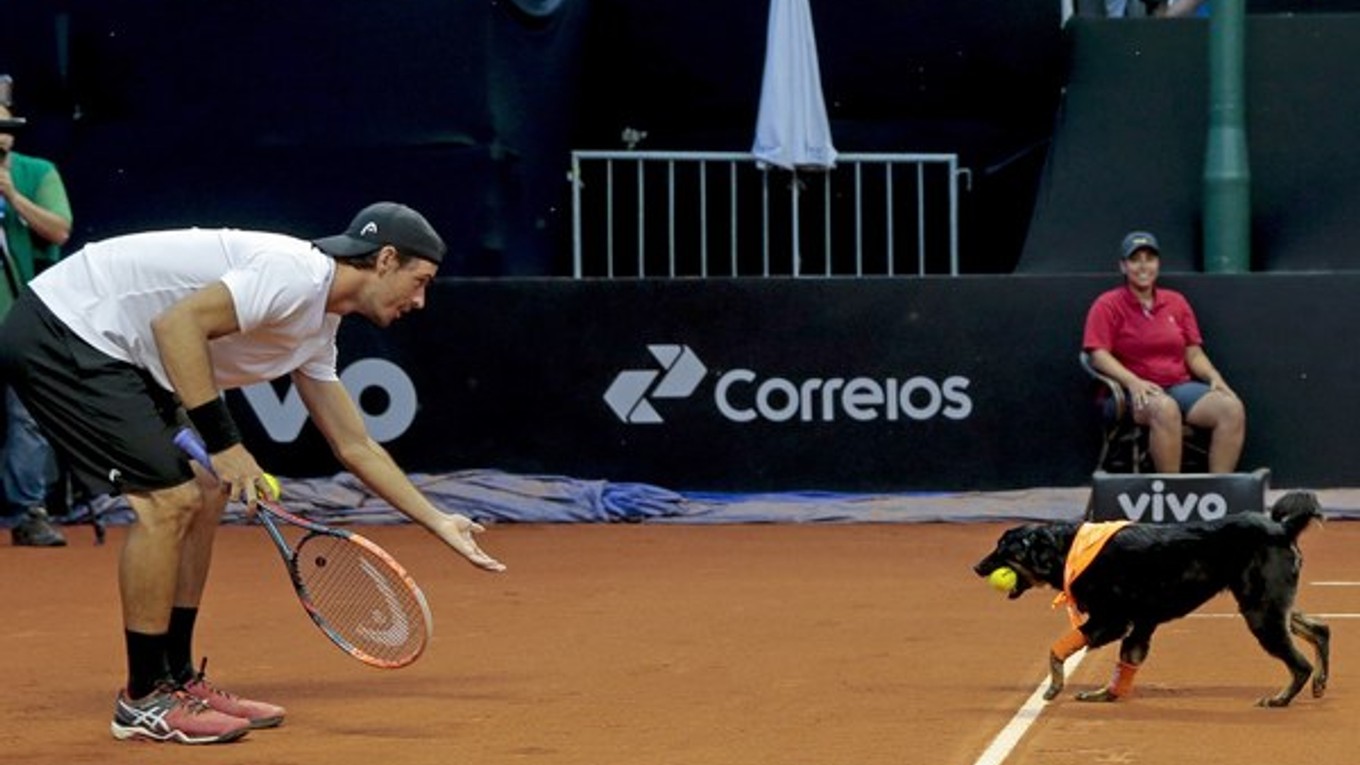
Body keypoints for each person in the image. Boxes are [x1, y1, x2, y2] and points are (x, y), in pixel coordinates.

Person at [0, 201, 507, 744]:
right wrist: (227, 445)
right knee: (170, 501)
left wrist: (437, 520)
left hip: (126, 351)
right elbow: (177, 326)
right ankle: (143, 698)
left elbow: (354, 445)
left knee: (208, 488)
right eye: (419, 281)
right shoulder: (295, 273)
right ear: (385, 259)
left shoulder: (318, 329)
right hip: (67, 327)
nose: (420, 300)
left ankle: (177, 677)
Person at [1082, 230, 1246, 473]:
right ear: (1123, 266)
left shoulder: (1176, 302)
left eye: (1149, 259)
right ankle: (1172, 496)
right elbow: (1097, 354)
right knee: (1165, 409)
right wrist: (1133, 382)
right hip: (1132, 393)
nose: (1143, 266)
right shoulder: (1107, 304)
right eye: (1135, 260)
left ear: (1157, 264)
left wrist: (1213, 376)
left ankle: (1218, 495)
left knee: (1231, 408)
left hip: (1178, 386)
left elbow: (1193, 352)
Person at [0, 100, 72, 546]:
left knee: (26, 417)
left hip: (21, 317)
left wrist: (11, 195)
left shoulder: (35, 171)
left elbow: (59, 230)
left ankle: (28, 511)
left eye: (5, 123)